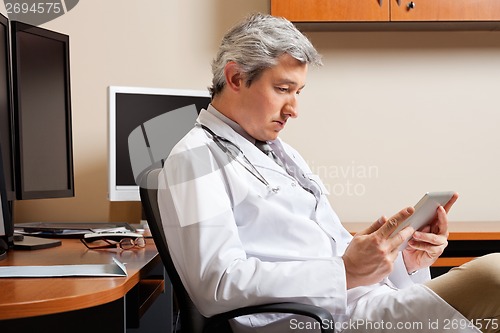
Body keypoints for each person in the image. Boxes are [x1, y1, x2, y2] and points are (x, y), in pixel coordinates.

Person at [157, 13, 500, 333]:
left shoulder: (281, 152)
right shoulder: (193, 161)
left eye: (298, 93)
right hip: (321, 321)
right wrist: (346, 270)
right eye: (283, 89)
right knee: (492, 278)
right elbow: (216, 285)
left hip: (360, 303)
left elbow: (327, 251)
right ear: (235, 77)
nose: (293, 109)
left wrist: (404, 258)